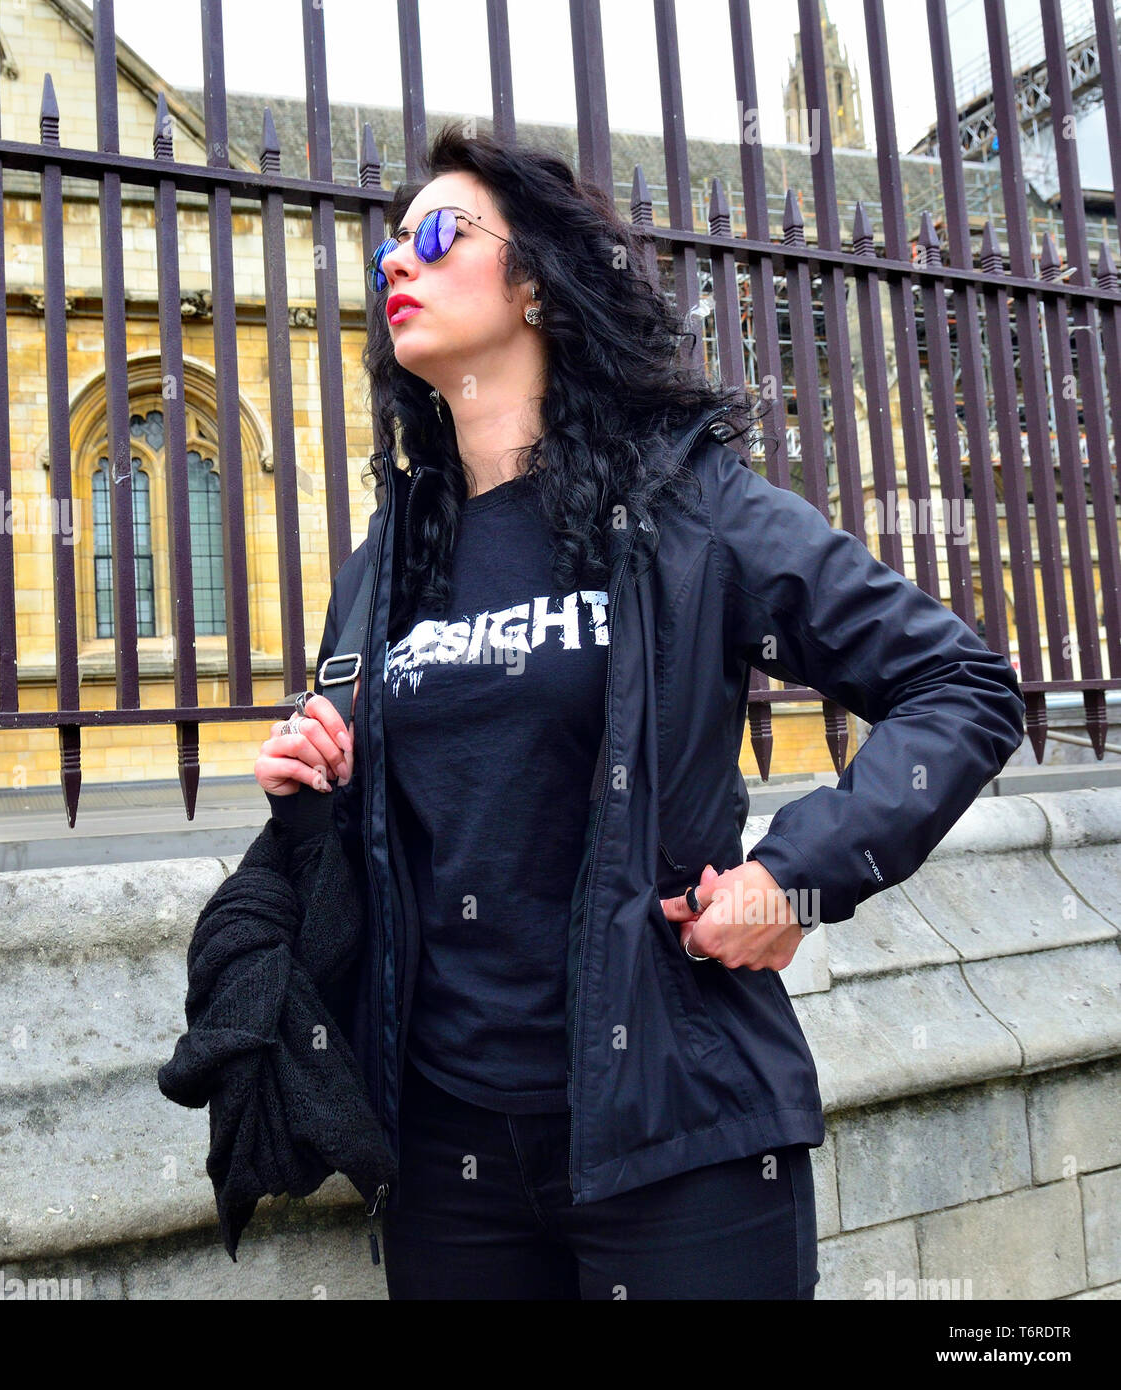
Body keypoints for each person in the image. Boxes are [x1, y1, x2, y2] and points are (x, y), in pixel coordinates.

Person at [253, 125, 1025, 1300]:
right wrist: (317, 781)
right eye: (385, 252)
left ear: (539, 283)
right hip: (448, 1152)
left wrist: (800, 876)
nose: (396, 265)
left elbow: (962, 686)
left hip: (675, 1131)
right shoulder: (386, 566)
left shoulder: (689, 508)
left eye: (439, 235)